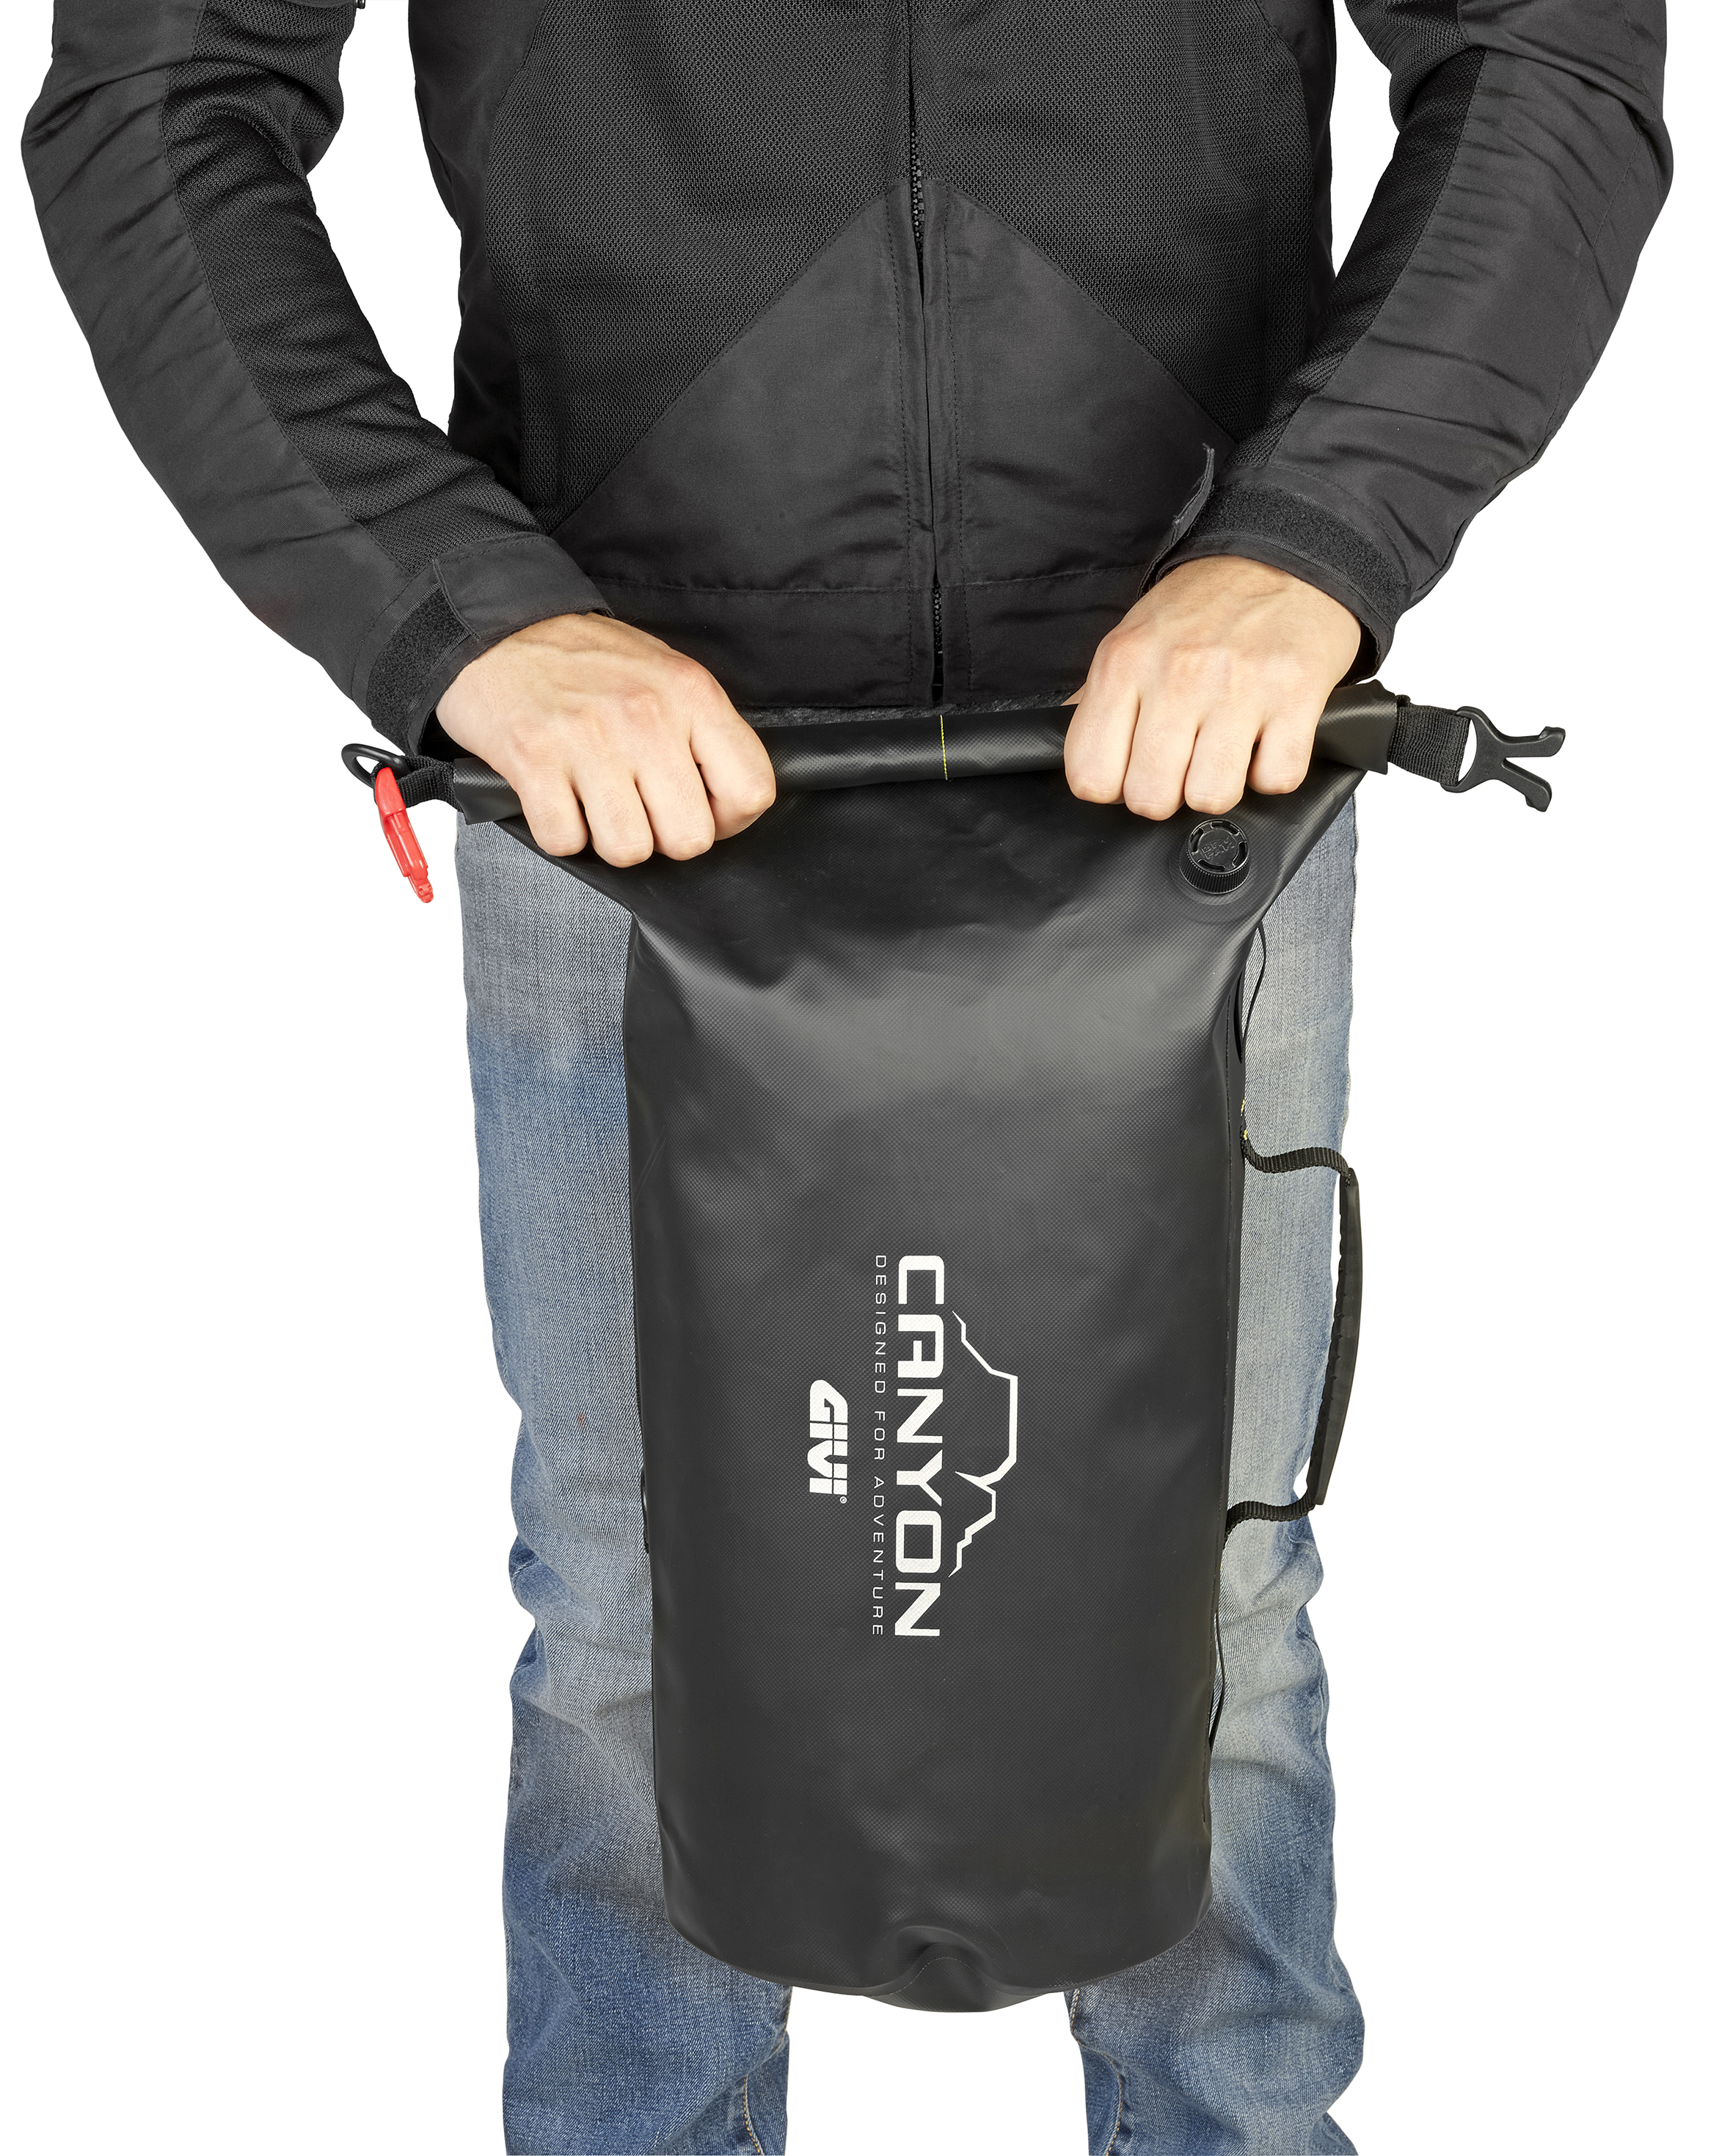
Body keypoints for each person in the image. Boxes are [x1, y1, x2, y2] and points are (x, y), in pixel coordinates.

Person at [24, 4, 1666, 2149]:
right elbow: (159, 97)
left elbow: (1548, 49)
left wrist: (1313, 540)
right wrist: (463, 614)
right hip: (626, 768)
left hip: (1190, 751)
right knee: (631, 1602)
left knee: (1215, 1595)